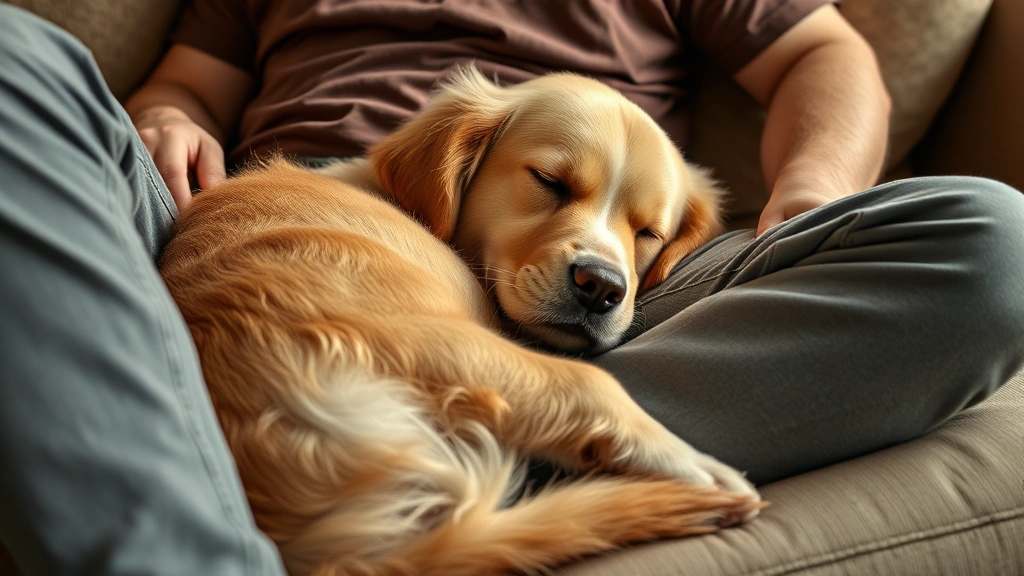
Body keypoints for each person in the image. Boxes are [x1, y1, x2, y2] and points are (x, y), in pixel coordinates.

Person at [1, 1, 1022, 574]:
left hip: (610, 266)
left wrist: (806, 200)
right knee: (13, 55)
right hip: (265, 220)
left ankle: (392, 460)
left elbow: (824, 55)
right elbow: (189, 84)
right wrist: (171, 117)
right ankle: (211, 531)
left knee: (993, 239)